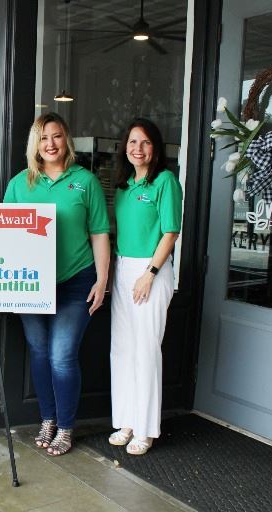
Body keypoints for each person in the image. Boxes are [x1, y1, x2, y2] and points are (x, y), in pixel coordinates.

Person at [3, 112, 111, 456]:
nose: (51, 144)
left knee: (62, 356)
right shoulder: (21, 183)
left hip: (76, 280)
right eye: (44, 137)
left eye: (57, 136)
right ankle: (47, 419)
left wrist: (103, 279)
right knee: (38, 352)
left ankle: (65, 427)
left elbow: (99, 233)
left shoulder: (86, 181)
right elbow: (4, 233)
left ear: (67, 140)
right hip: (30, 284)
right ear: (35, 143)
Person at [108, 118, 182, 456]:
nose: (138, 148)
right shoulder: (123, 187)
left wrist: (150, 272)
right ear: (126, 146)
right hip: (123, 269)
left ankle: (146, 428)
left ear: (156, 148)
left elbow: (170, 232)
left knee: (146, 349)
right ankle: (126, 420)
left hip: (150, 270)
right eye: (133, 142)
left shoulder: (165, 182)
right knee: (122, 348)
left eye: (146, 142)